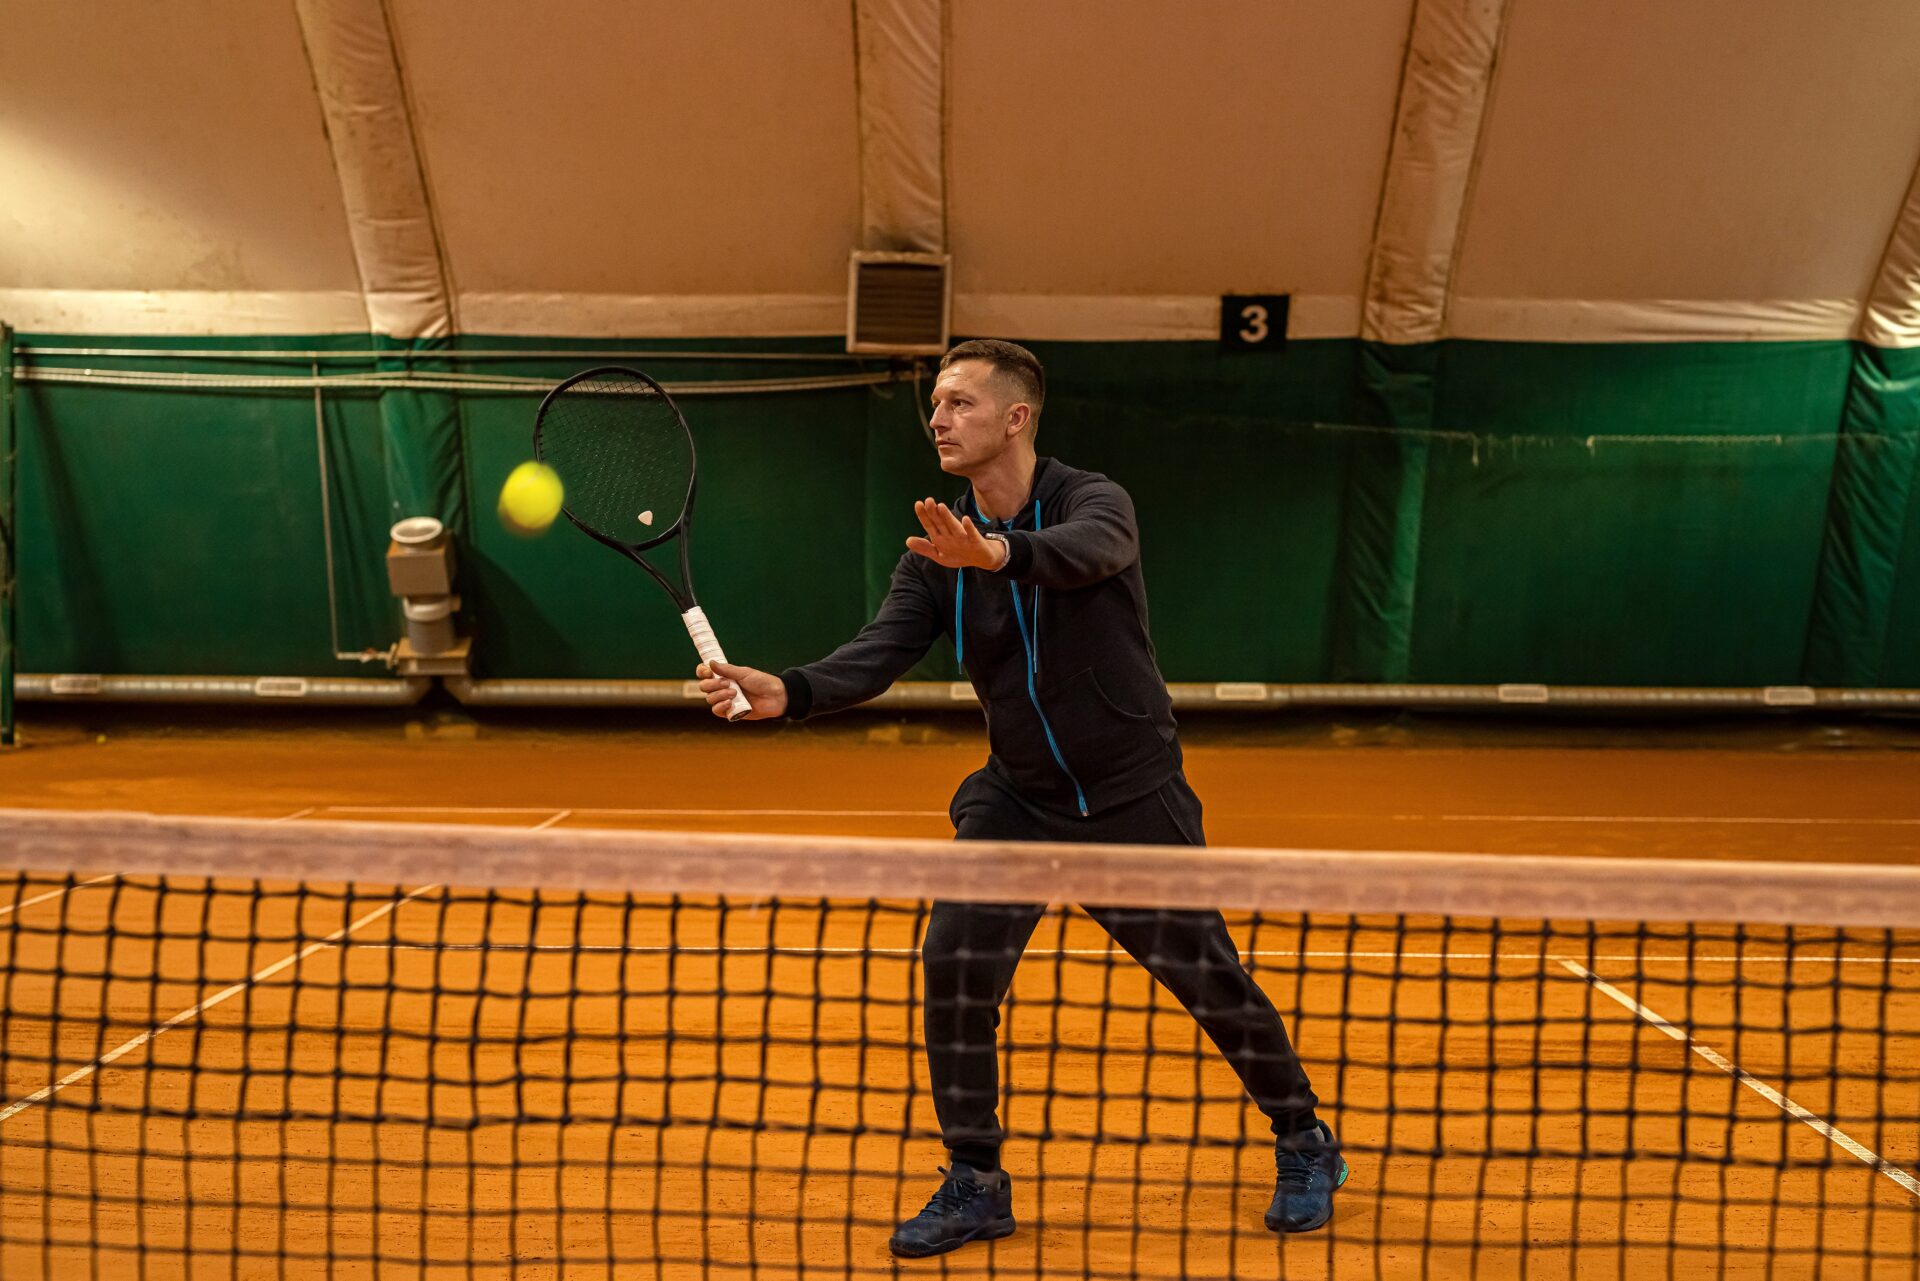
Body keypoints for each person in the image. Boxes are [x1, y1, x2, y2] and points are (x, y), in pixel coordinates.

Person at [695, 339, 1344, 1259]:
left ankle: (1304, 1137)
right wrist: (790, 691)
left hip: (1131, 794)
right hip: (1018, 797)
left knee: (1208, 977)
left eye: (959, 402)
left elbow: (1090, 553)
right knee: (955, 965)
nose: (938, 418)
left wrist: (998, 553)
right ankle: (976, 1180)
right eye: (935, 404)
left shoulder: (1092, 501)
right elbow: (880, 651)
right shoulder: (936, 553)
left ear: (1016, 417)